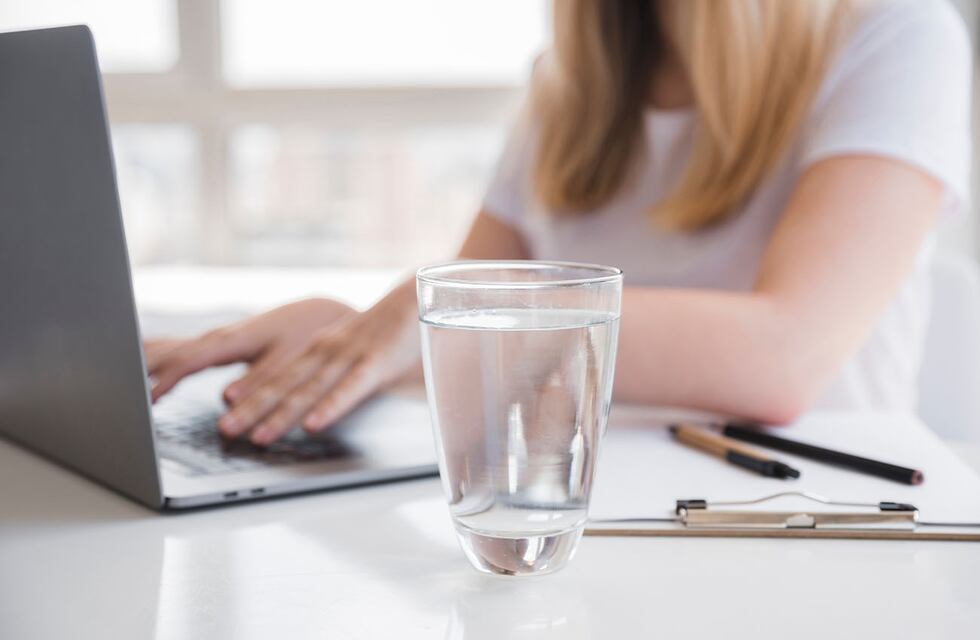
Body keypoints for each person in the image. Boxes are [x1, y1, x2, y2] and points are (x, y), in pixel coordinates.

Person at [146, 0, 971, 446]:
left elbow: (784, 359)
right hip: (571, 503)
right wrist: (347, 338)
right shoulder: (564, 88)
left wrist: (428, 312)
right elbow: (478, 345)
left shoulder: (895, 34)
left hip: (809, 516)